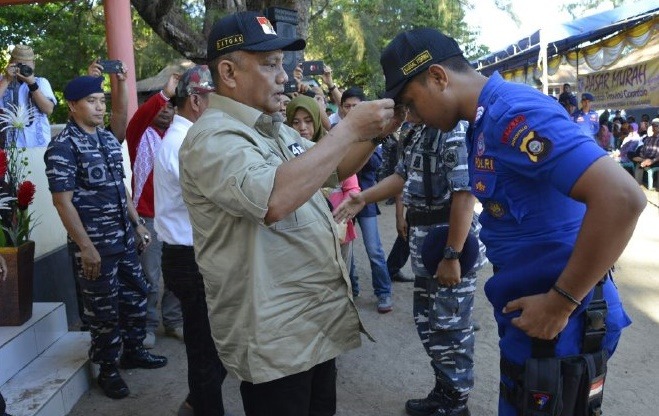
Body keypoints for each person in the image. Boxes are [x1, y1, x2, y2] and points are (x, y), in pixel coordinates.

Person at [379, 28, 645, 416]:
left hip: (559, 325)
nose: (412, 117)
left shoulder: (512, 114)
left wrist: (561, 302)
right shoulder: (482, 122)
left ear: (438, 77)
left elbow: (622, 198)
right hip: (535, 318)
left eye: (411, 103)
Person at [178, 11, 396, 416]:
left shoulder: (273, 127)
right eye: (270, 64)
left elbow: (332, 169)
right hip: (274, 336)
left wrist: (380, 127)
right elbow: (274, 199)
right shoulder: (213, 137)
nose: (284, 76)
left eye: (283, 63)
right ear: (228, 71)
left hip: (312, 323)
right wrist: (348, 128)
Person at [333, 121, 486, 416]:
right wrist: (363, 197)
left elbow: (464, 194)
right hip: (428, 244)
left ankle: (456, 403)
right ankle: (444, 390)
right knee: (429, 323)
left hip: (448, 241)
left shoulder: (451, 130)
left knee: (450, 327)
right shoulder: (419, 130)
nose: (406, 108)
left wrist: (452, 254)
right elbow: (403, 175)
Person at [44, 76, 167, 400]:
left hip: (124, 239)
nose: (99, 106)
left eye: (102, 100)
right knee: (103, 312)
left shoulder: (108, 141)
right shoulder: (63, 147)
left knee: (136, 296)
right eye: (92, 101)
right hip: (95, 247)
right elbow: (62, 201)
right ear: (73, 106)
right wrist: (86, 248)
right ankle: (108, 370)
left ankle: (133, 351)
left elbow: (120, 188)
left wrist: (137, 223)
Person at [153, 65, 228, 416]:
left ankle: (196, 402)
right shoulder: (185, 143)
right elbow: (216, 200)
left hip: (192, 254)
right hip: (190, 256)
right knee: (205, 347)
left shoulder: (186, 139)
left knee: (213, 343)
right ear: (196, 101)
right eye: (214, 99)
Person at [125, 74, 183, 348]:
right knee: (149, 274)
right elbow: (139, 118)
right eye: (160, 107)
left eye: (170, 107)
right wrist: (164, 94)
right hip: (147, 217)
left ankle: (173, 321)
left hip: (174, 215)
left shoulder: (180, 137)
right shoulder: (139, 136)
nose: (165, 111)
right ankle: (147, 324)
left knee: (175, 273)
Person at [286, 94, 361, 281]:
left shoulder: (334, 148)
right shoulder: (283, 153)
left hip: (338, 229)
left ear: (317, 120)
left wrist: (339, 217)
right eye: (296, 122)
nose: (302, 128)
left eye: (308, 121)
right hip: (302, 236)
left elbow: (352, 188)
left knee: (341, 278)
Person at [336, 87, 395, 312]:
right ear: (341, 109)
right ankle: (353, 289)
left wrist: (359, 143)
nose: (351, 110)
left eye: (356, 106)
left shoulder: (373, 133)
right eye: (347, 106)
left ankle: (383, 292)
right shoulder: (335, 133)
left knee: (374, 249)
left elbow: (376, 164)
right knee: (345, 251)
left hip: (365, 199)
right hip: (342, 201)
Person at [0, 45, 56, 147]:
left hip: (38, 145)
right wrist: (7, 79)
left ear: (33, 65)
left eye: (26, 66)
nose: (22, 69)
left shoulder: (41, 82)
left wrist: (32, 84)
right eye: (19, 65)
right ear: (11, 64)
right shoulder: (2, 81)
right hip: (8, 147)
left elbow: (48, 110)